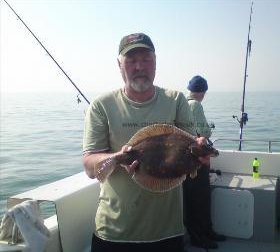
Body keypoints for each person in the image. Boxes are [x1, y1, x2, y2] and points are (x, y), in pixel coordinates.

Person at [82, 33, 211, 252]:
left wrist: (201, 149)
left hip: (167, 230)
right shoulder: (101, 105)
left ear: (155, 62)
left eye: (146, 59)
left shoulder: (176, 100)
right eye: (131, 60)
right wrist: (117, 158)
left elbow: (189, 145)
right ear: (119, 65)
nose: (139, 66)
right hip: (114, 230)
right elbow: (89, 165)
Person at [183, 75, 227, 249]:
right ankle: (199, 237)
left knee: (195, 199)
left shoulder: (183, 103)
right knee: (199, 200)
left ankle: (206, 232)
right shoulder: (195, 104)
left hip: (187, 161)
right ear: (203, 92)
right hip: (197, 161)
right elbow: (204, 131)